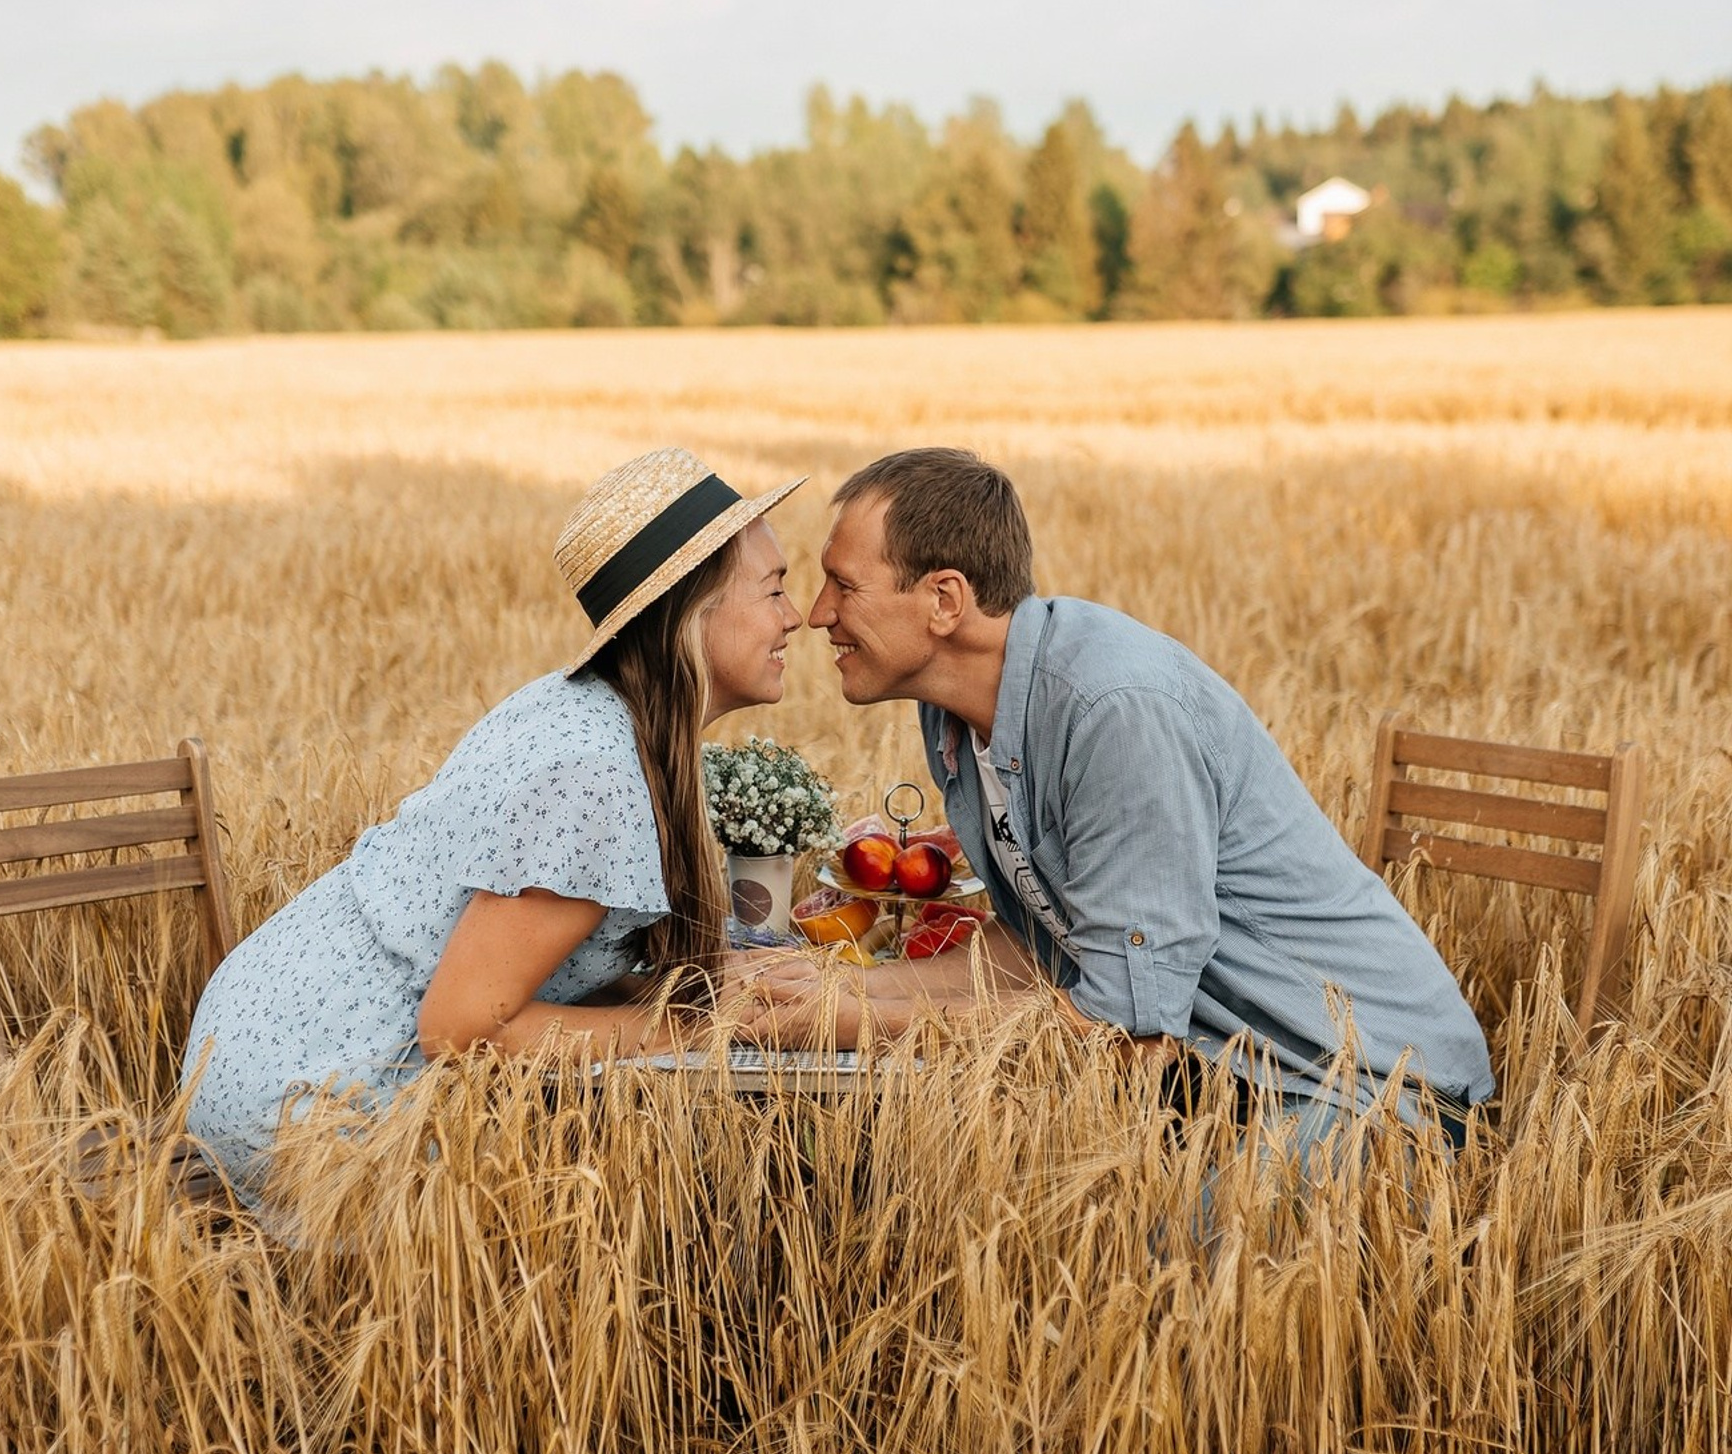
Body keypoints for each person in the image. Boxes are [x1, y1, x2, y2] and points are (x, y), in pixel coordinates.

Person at [737, 446, 1494, 1149]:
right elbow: (1043, 950)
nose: (817, 612)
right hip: (1224, 1072)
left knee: (1157, 1240)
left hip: (1371, 1089)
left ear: (944, 601)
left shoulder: (1114, 712)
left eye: (844, 585)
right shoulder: (958, 718)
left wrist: (851, 1023)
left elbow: (1123, 1027)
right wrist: (839, 988)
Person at [180, 447, 805, 1196]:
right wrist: (690, 1026)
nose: (794, 617)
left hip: (265, 1041)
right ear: (689, 612)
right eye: (774, 589)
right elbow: (460, 1030)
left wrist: (697, 986)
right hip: (310, 1101)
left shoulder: (584, 709)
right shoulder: (592, 775)